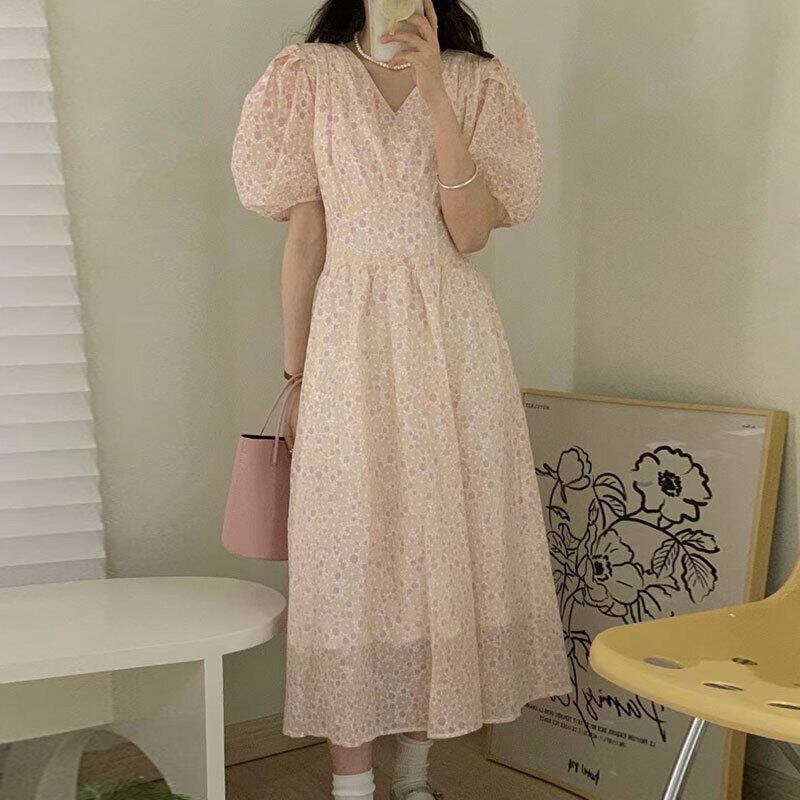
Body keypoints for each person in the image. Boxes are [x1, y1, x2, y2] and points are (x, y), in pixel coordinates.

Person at [230, 1, 571, 798]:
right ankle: (351, 787)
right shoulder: (309, 74)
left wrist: (436, 92)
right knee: (349, 557)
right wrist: (296, 377)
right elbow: (305, 238)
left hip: (453, 343)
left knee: (440, 552)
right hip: (347, 337)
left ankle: (415, 778)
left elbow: (471, 232)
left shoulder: (478, 82)